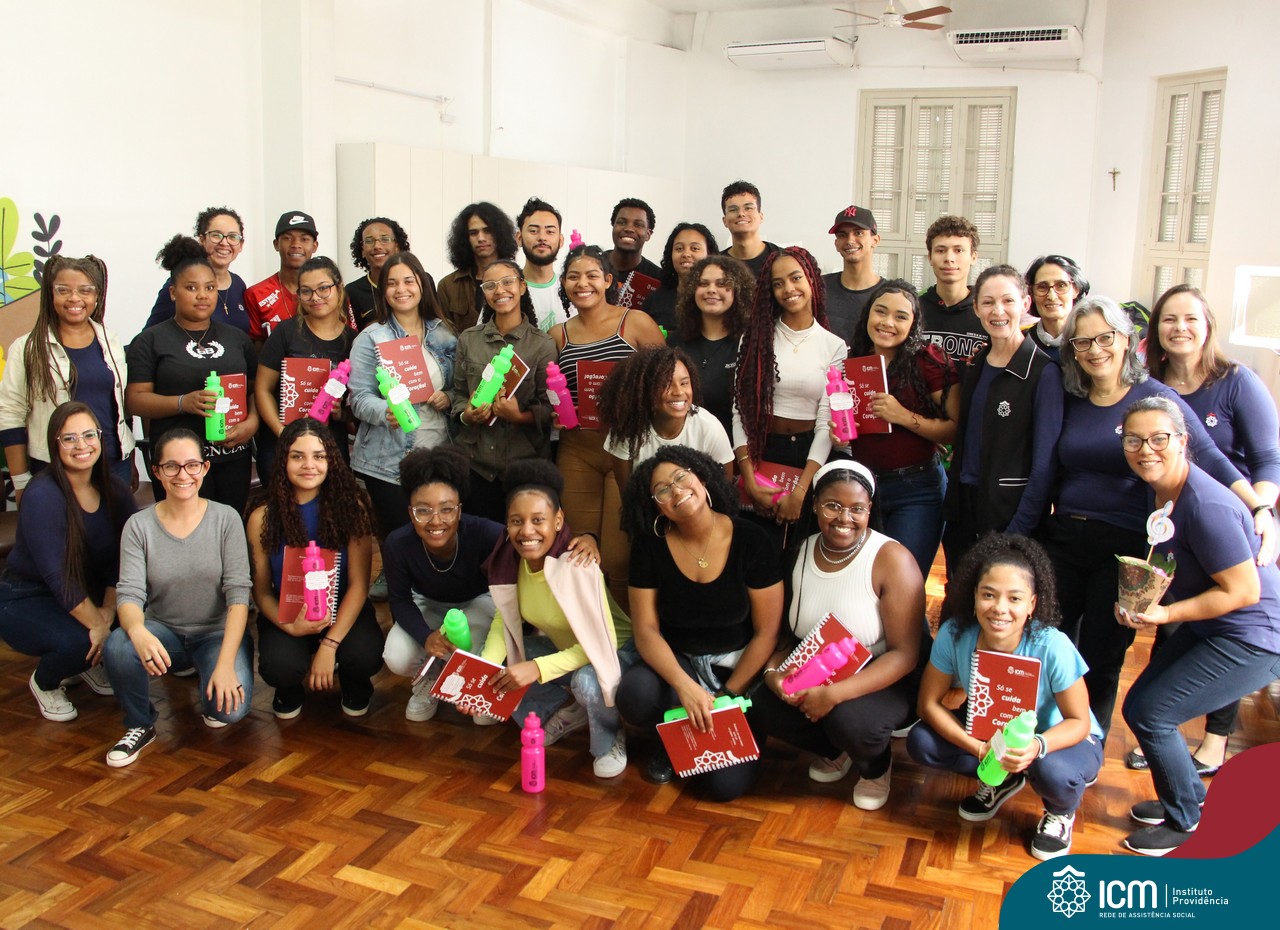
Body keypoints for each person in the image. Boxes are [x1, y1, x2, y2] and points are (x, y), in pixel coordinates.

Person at [1039, 296, 1270, 740]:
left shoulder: (1155, 396)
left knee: (1102, 653)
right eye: (1082, 341)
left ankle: (1087, 745)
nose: (1094, 349)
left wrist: (1258, 507)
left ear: (1127, 340)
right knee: (1049, 642)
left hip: (1125, 545)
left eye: (1105, 337)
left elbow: (1210, 458)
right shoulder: (1071, 397)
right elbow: (1047, 466)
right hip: (1063, 537)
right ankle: (1042, 738)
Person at [1127, 285, 1280, 775]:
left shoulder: (1236, 381)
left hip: (1230, 515)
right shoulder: (1150, 385)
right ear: (1155, 330)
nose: (1180, 328)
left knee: (1227, 625)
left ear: (1208, 325)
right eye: (1169, 319)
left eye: (1191, 318)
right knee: (1175, 633)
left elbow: (1265, 459)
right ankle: (1161, 729)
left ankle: (1214, 742)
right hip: (1173, 521)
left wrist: (1260, 509)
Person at [1117, 396, 1280, 856]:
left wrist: (1167, 615)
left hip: (1253, 637)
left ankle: (1186, 821)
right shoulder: (1164, 493)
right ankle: (1188, 795)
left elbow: (1244, 592)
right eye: (1134, 440)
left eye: (1158, 438)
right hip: (1217, 626)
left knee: (1153, 714)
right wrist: (1139, 604)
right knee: (1141, 707)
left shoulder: (1206, 504)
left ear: (1183, 441)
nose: (1145, 449)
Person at [907, 533, 1103, 861]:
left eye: (1014, 598)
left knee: (1053, 772)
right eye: (988, 594)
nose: (999, 608)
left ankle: (1061, 812)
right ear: (974, 595)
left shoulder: (1052, 645)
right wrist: (980, 749)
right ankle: (1003, 780)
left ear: (1032, 604)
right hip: (991, 733)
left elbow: (1079, 722)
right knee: (922, 742)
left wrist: (1037, 747)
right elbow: (927, 704)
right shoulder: (954, 634)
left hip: (1058, 739)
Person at [751, 461, 923, 810]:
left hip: (883, 673)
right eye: (833, 505)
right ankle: (838, 751)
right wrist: (773, 675)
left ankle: (875, 766)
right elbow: (786, 635)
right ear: (814, 504)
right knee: (763, 704)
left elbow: (905, 655)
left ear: (870, 509)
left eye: (857, 508)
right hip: (816, 667)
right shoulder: (799, 552)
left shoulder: (892, 559)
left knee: (851, 721)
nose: (845, 518)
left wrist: (833, 695)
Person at [616, 447, 782, 799]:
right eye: (662, 490)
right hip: (679, 665)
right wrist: (686, 686)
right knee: (634, 694)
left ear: (702, 479)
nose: (676, 491)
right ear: (656, 506)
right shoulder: (648, 545)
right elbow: (646, 630)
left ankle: (727, 729)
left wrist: (728, 696)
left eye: (681, 477)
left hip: (737, 670)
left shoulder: (752, 539)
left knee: (723, 788)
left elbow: (767, 633)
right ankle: (672, 736)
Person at [102, 428, 253, 767]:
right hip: (164, 632)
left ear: (205, 468)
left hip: (215, 634)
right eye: (171, 466)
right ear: (156, 471)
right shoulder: (138, 526)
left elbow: (238, 595)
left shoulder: (226, 519)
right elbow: (129, 593)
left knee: (229, 711)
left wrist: (225, 664)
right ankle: (140, 723)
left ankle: (210, 673)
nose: (183, 475)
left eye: (192, 465)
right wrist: (137, 631)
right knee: (119, 645)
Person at [476, 459, 632, 778]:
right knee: (506, 658)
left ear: (558, 520)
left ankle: (610, 738)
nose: (527, 531)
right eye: (516, 521)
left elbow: (597, 646)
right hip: (570, 651)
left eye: (538, 520)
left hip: (617, 653)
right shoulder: (510, 560)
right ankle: (568, 712)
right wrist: (479, 679)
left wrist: (536, 668)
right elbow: (503, 622)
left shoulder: (578, 565)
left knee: (586, 682)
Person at [0, 403, 135, 721]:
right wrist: (98, 624)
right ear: (54, 445)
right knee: (79, 641)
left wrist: (109, 610)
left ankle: (86, 662)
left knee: (131, 623)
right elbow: (57, 577)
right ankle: (46, 682)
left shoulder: (114, 489)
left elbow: (124, 558)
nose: (81, 445)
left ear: (100, 438)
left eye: (89, 435)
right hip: (27, 596)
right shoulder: (42, 495)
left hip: (84, 592)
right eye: (69, 438)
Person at [551, 244, 666, 607]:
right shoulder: (558, 335)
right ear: (564, 284)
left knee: (618, 558)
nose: (582, 283)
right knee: (579, 550)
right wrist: (555, 412)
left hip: (627, 450)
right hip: (577, 451)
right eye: (573, 277)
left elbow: (667, 379)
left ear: (608, 281)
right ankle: (588, 628)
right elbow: (552, 392)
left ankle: (628, 633)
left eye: (591, 275)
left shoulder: (635, 322)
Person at [248, 419, 382, 719]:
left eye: (319, 456)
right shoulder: (261, 516)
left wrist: (329, 645)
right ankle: (288, 687)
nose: (309, 465)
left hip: (342, 609)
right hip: (288, 611)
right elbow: (261, 591)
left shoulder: (352, 508)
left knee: (365, 656)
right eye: (297, 456)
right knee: (279, 666)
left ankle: (354, 681)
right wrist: (290, 627)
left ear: (331, 460)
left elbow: (359, 586)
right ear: (283, 461)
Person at [125, 236, 259, 515]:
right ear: (173, 292)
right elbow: (135, 400)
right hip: (179, 464)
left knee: (229, 524)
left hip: (232, 456)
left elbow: (254, 390)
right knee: (181, 528)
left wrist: (252, 422)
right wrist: (182, 402)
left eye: (210, 288)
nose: (202, 295)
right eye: (191, 288)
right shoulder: (150, 340)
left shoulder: (237, 339)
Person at [943, 266, 1062, 573]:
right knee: (960, 591)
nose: (998, 311)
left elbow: (1044, 464)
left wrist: (1019, 528)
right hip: (963, 507)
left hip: (1009, 510)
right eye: (988, 302)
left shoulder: (1043, 372)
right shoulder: (976, 364)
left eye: (1008, 301)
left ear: (1025, 304)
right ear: (976, 308)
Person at [841, 279, 958, 578]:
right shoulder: (854, 359)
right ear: (868, 313)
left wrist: (903, 416)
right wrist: (841, 430)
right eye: (880, 311)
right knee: (865, 582)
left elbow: (955, 430)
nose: (888, 322)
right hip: (864, 487)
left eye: (900, 316)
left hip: (916, 490)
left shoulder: (929, 360)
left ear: (914, 323)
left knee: (904, 582)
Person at [733, 246, 847, 548]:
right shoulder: (756, 338)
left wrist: (801, 492)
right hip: (760, 451)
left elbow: (825, 423)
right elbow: (740, 411)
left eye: (796, 278)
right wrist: (749, 478)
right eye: (778, 283)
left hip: (808, 458)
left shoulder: (833, 346)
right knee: (756, 549)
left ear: (811, 280)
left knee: (797, 551)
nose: (788, 289)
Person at [380, 447, 501, 721]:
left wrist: (585, 538)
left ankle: (474, 683)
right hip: (430, 604)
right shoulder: (397, 544)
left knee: (481, 715)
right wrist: (425, 636)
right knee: (396, 655)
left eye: (446, 509)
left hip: (478, 602)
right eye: (424, 511)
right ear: (410, 512)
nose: (436, 521)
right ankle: (431, 678)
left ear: (459, 510)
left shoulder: (485, 533)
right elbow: (399, 600)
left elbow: (526, 546)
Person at [348, 252, 456, 553]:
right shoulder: (371, 338)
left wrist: (448, 397)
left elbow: (460, 387)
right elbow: (358, 398)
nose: (401, 289)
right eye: (392, 283)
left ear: (422, 284)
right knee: (401, 545)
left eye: (409, 281)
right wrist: (386, 411)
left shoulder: (445, 333)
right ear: (383, 291)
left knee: (438, 541)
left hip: (439, 453)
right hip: (389, 461)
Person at [0, 254, 134, 495]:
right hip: (54, 468)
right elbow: (10, 415)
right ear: (50, 295)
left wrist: (130, 460)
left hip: (114, 464)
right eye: (63, 290)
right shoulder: (27, 347)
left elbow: (121, 405)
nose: (74, 298)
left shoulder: (111, 340)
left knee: (115, 521)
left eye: (85, 290)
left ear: (97, 295)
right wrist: (20, 481)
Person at [450, 259, 557, 521]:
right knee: (480, 539)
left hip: (525, 466)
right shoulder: (469, 339)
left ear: (522, 287)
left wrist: (518, 416)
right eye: (490, 285)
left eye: (507, 282)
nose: (499, 290)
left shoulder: (542, 345)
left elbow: (549, 409)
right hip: (475, 465)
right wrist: (467, 415)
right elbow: (458, 393)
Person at [254, 256, 358, 480]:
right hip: (283, 445)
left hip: (330, 446)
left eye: (323, 289)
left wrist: (341, 413)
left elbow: (358, 402)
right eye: (306, 291)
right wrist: (282, 432)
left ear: (339, 288)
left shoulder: (354, 341)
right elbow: (262, 389)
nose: (315, 297)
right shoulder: (285, 332)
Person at [601, 345, 734, 490]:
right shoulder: (628, 427)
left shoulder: (709, 426)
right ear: (645, 388)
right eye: (666, 384)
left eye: (684, 383)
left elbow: (724, 491)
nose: (679, 392)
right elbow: (628, 494)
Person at [668, 254, 754, 436]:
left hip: (735, 445)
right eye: (703, 284)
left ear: (738, 291)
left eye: (722, 284)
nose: (711, 290)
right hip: (682, 443)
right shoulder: (676, 342)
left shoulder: (750, 343)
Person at [143, 207, 251, 333]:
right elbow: (149, 337)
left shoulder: (238, 284)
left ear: (241, 245)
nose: (224, 243)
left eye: (233, 237)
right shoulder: (182, 284)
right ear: (202, 240)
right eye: (216, 235)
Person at [437, 202, 518, 334]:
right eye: (473, 233)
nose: (481, 238)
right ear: (465, 238)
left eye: (487, 231)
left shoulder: (516, 279)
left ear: (500, 233)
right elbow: (445, 337)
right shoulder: (448, 286)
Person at [245, 211, 320, 342]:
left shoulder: (331, 293)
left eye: (304, 239)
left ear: (314, 246)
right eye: (287, 238)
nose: (296, 244)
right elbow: (255, 348)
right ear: (276, 244)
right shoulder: (256, 295)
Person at [919, 215, 984, 361]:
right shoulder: (914, 309)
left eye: (958, 250)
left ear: (973, 257)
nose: (949, 258)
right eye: (940, 250)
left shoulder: (986, 312)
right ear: (930, 257)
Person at [641, 222, 719, 334]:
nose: (686, 254)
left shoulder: (717, 297)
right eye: (679, 248)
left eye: (695, 248)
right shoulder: (655, 299)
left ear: (710, 255)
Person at [822, 205, 884, 346]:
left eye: (858, 233)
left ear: (875, 240)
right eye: (842, 235)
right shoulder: (819, 288)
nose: (850, 241)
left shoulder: (888, 294)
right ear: (836, 244)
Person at [346, 217, 410, 330]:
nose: (377, 246)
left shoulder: (419, 281)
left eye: (385, 239)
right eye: (369, 241)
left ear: (397, 246)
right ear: (362, 249)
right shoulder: (352, 292)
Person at [1023, 255, 1089, 362]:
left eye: (1061, 285)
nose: (1052, 296)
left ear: (1076, 290)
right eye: (1042, 287)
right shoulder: (1022, 343)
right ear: (1032, 293)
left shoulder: (1090, 340)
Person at [515, 197, 567, 332]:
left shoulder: (572, 289)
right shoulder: (506, 289)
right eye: (533, 231)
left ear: (561, 240)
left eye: (550, 232)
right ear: (519, 238)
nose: (542, 237)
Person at [605, 198, 662, 310]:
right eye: (622, 222)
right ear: (613, 227)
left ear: (648, 234)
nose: (629, 229)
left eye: (638, 225)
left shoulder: (658, 279)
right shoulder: (592, 266)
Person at [720, 180, 780, 281]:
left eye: (748, 208)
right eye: (733, 209)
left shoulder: (782, 259)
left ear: (761, 216)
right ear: (724, 221)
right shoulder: (715, 265)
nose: (741, 214)